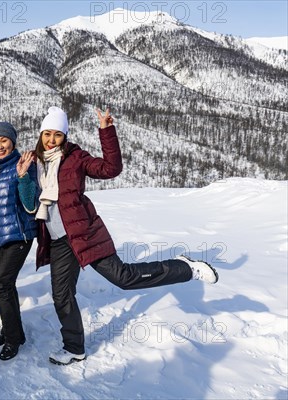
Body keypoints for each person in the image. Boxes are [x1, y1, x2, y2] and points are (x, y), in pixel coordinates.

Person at [34, 106, 219, 366]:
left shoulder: (76, 158)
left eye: (57, 134)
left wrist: (106, 131)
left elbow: (111, 168)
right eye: (47, 134)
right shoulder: (35, 162)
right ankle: (74, 348)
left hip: (84, 233)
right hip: (58, 240)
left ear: (65, 136)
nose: (51, 140)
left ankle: (187, 268)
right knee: (62, 295)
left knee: (124, 278)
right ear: (40, 135)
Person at [0, 122, 39, 361]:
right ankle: (14, 331)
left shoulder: (23, 165)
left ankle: (13, 338)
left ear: (12, 141)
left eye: (4, 141)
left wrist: (23, 177)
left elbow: (31, 203)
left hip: (19, 236)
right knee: (7, 286)